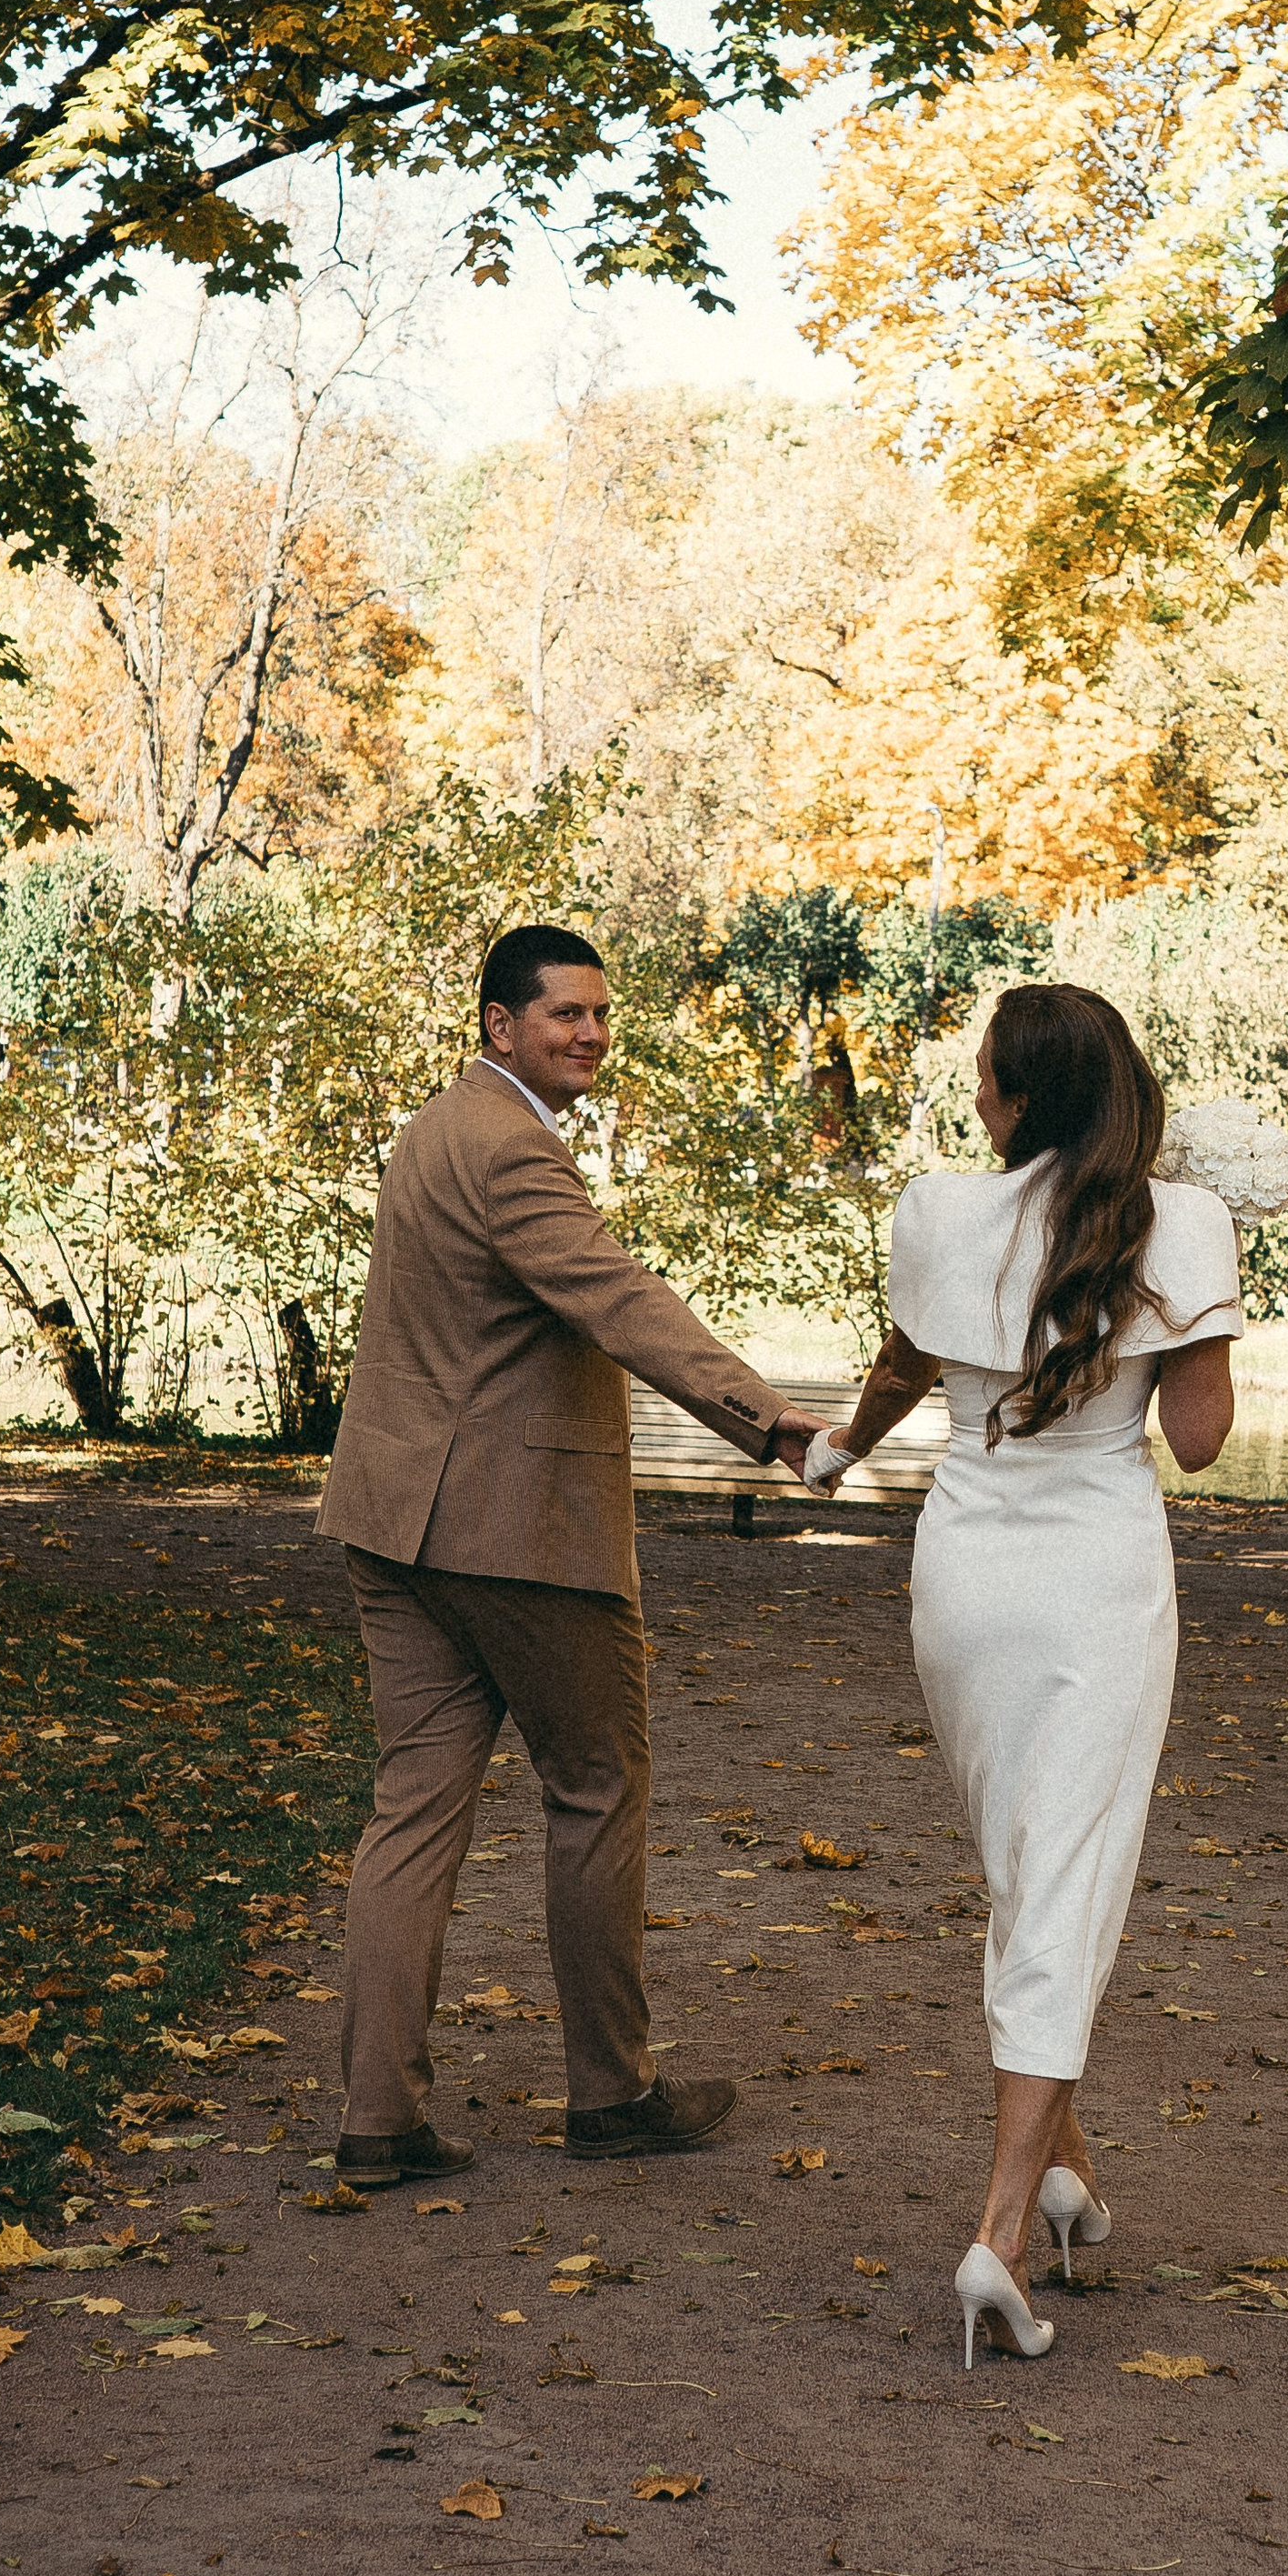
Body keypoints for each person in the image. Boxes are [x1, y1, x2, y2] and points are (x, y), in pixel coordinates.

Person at [315, 921, 826, 2184]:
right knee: (598, 1790)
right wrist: (771, 1424)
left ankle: (378, 2121)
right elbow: (621, 1300)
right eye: (565, 1016)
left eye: (601, 1014)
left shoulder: (436, 1128)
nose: (591, 1033)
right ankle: (613, 2091)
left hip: (396, 1523)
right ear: (501, 1026)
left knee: (414, 1814)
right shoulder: (511, 1152)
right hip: (516, 1530)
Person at [810, 984, 1238, 2365]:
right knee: (1069, 1877)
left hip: (967, 1566)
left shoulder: (937, 1209)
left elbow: (898, 1366)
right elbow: (1202, 1440)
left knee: (1026, 1868)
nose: (975, 1098)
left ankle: (1067, 2173)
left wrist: (836, 1456)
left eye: (985, 1077)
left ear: (1016, 1097)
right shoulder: (1181, 1224)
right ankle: (998, 2234)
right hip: (1097, 1574)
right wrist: (1208, 1306)